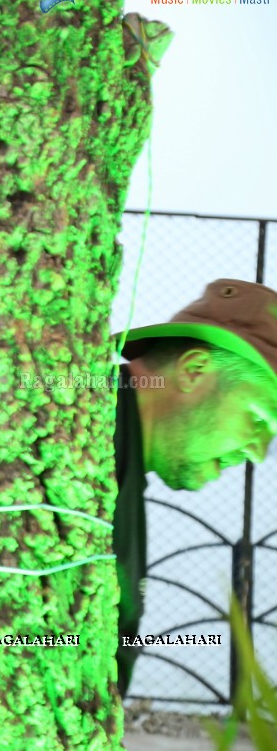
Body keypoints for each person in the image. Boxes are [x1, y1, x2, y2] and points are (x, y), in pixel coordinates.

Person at [114, 278, 277, 695]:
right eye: (259, 418)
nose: (259, 453)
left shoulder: (118, 450)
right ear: (194, 370)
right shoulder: (82, 430)